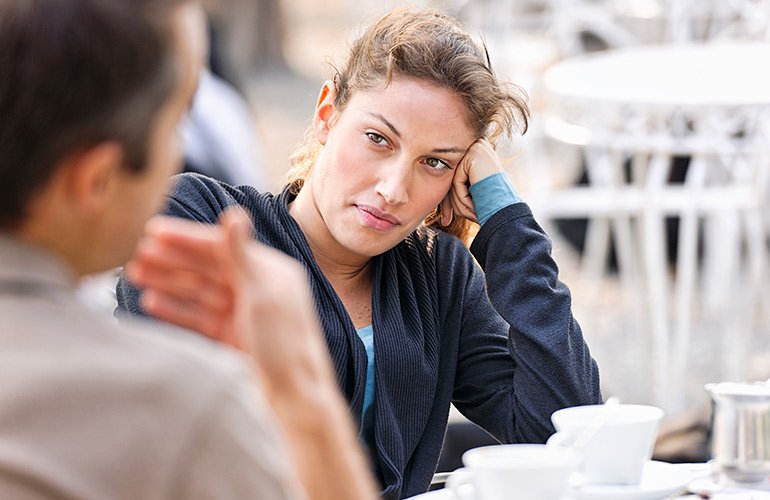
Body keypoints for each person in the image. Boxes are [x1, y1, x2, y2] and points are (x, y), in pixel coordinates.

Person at [117, 6, 603, 499]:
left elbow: (566, 432)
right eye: (377, 139)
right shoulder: (202, 218)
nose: (393, 188)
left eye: (434, 162)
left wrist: (504, 224)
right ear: (327, 113)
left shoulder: (438, 276)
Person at [0, 0, 378, 499]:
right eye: (177, 120)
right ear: (96, 179)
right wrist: (301, 386)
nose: (179, 152)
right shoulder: (182, 404)